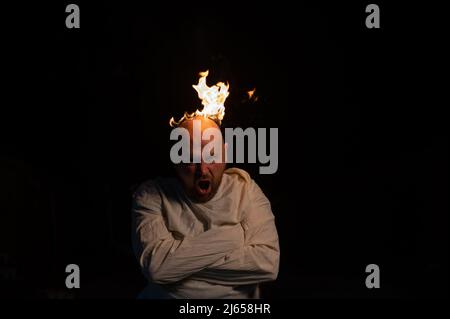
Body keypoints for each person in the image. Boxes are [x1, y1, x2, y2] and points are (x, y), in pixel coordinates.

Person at [131, 115, 280, 298]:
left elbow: (268, 264)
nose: (202, 169)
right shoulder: (150, 195)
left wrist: (178, 267)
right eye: (191, 158)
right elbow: (156, 268)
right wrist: (234, 236)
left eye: (212, 155)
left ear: (225, 154)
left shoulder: (246, 190)